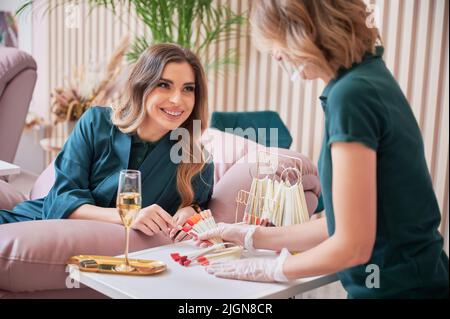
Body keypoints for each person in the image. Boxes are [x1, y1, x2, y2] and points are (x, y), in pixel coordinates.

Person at [195, 0, 449, 298]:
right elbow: (340, 224)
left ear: (305, 32)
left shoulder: (352, 96)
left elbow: (352, 246)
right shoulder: (368, 77)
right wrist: (254, 236)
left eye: (278, 42)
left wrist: (270, 270)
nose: (277, 56)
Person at [0, 43, 214, 242]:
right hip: (34, 229)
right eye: (164, 85)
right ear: (141, 86)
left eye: (188, 88)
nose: (177, 99)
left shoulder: (196, 162)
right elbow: (60, 200)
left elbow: (199, 208)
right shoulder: (96, 123)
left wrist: (191, 211)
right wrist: (128, 216)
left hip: (108, 260)